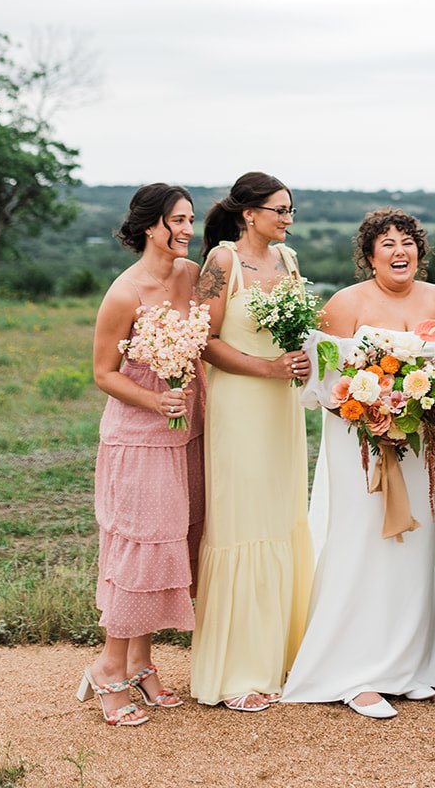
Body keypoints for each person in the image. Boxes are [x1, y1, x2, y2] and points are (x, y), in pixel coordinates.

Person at [281, 208, 435, 718]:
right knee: (365, 540)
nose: (400, 251)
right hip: (360, 449)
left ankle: (409, 661)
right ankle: (358, 671)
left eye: (408, 242)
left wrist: (428, 404)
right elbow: (323, 385)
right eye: (387, 243)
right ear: (369, 255)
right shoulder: (344, 304)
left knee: (414, 543)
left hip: (419, 446)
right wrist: (373, 407)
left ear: (420, 249)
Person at [78, 183, 205, 726]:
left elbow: (238, 288)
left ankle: (142, 661)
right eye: (178, 220)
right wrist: (157, 399)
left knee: (173, 541)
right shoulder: (124, 293)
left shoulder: (193, 273)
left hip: (188, 433)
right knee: (142, 548)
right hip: (139, 435)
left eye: (192, 219)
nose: (187, 229)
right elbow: (103, 373)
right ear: (151, 225)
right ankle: (108, 667)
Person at [189, 172, 313, 712]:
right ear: (249, 214)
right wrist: (266, 368)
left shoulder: (288, 263)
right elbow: (205, 342)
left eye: (291, 209)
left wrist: (303, 358)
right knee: (243, 518)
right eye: (280, 209)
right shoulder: (222, 263)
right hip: (240, 405)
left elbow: (294, 331)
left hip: (282, 405)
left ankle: (286, 654)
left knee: (282, 515)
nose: (288, 218)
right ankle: (240, 669)